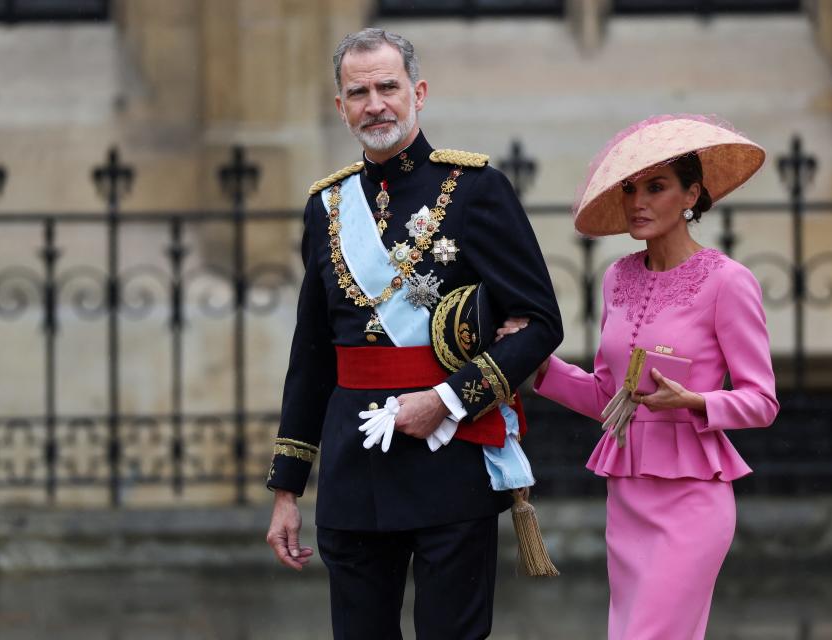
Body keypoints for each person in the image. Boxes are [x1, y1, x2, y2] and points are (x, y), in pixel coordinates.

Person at [264, 28, 563, 639]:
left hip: (447, 458)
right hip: (354, 466)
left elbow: (541, 324)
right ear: (340, 105)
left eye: (387, 87)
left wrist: (448, 401)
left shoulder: (477, 190)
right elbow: (312, 355)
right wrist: (287, 487)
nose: (375, 103)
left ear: (418, 93)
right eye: (359, 92)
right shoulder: (326, 207)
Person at [523, 114, 779, 639]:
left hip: (692, 501)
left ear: (692, 194)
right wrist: (540, 367)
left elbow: (762, 400)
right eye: (631, 188)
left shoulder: (729, 282)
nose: (638, 201)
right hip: (628, 499)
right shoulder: (617, 277)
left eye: (656, 187)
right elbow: (606, 396)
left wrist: (696, 402)